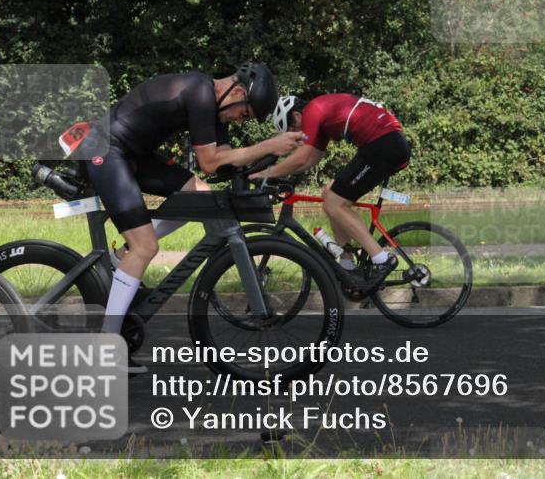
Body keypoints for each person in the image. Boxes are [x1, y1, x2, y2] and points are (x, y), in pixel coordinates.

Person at [71, 63, 301, 341]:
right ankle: (108, 341)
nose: (240, 121)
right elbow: (209, 162)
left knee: (200, 195)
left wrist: (267, 165)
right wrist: (267, 145)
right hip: (106, 149)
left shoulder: (218, 110)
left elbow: (227, 162)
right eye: (244, 114)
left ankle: (120, 259)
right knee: (146, 246)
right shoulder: (200, 93)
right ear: (238, 92)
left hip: (134, 154)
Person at [253, 94, 411, 287]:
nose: (296, 135)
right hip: (385, 142)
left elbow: (301, 158)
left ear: (296, 115)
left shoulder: (313, 109)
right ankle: (347, 265)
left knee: (334, 204)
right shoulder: (322, 119)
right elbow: (311, 160)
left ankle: (382, 259)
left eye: (293, 129)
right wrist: (282, 175)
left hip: (383, 144)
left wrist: (266, 174)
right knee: (329, 193)